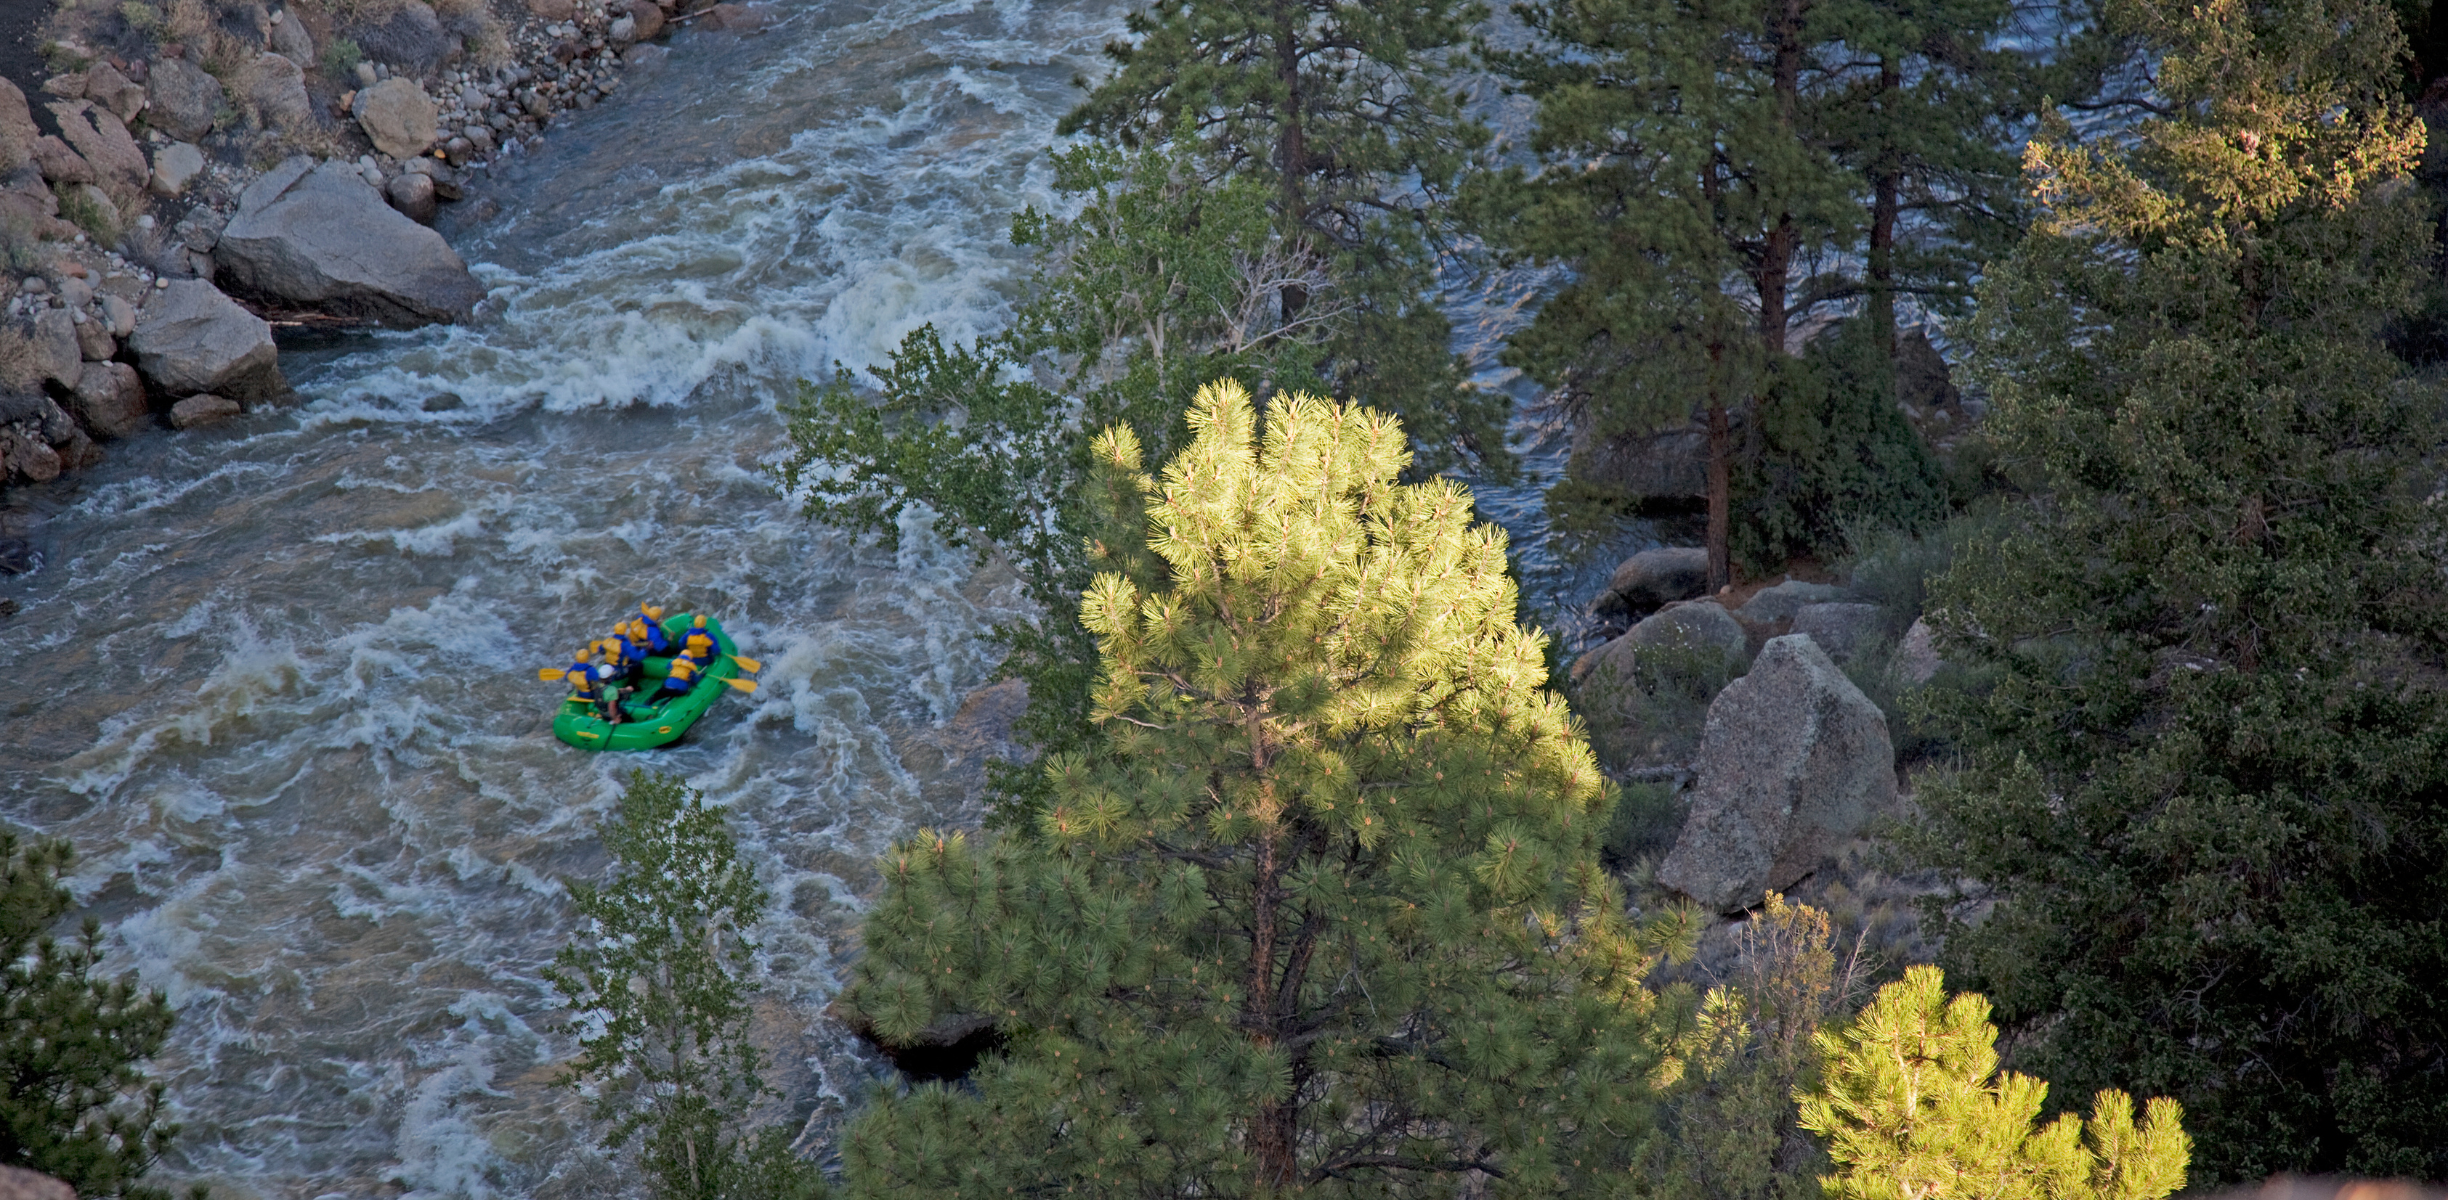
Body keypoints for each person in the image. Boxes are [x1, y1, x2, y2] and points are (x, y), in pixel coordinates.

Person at [564, 647, 623, 724]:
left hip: (579, 693)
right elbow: (599, 678)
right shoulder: (590, 669)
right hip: (590, 694)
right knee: (602, 689)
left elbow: (566, 678)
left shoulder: (572, 668)